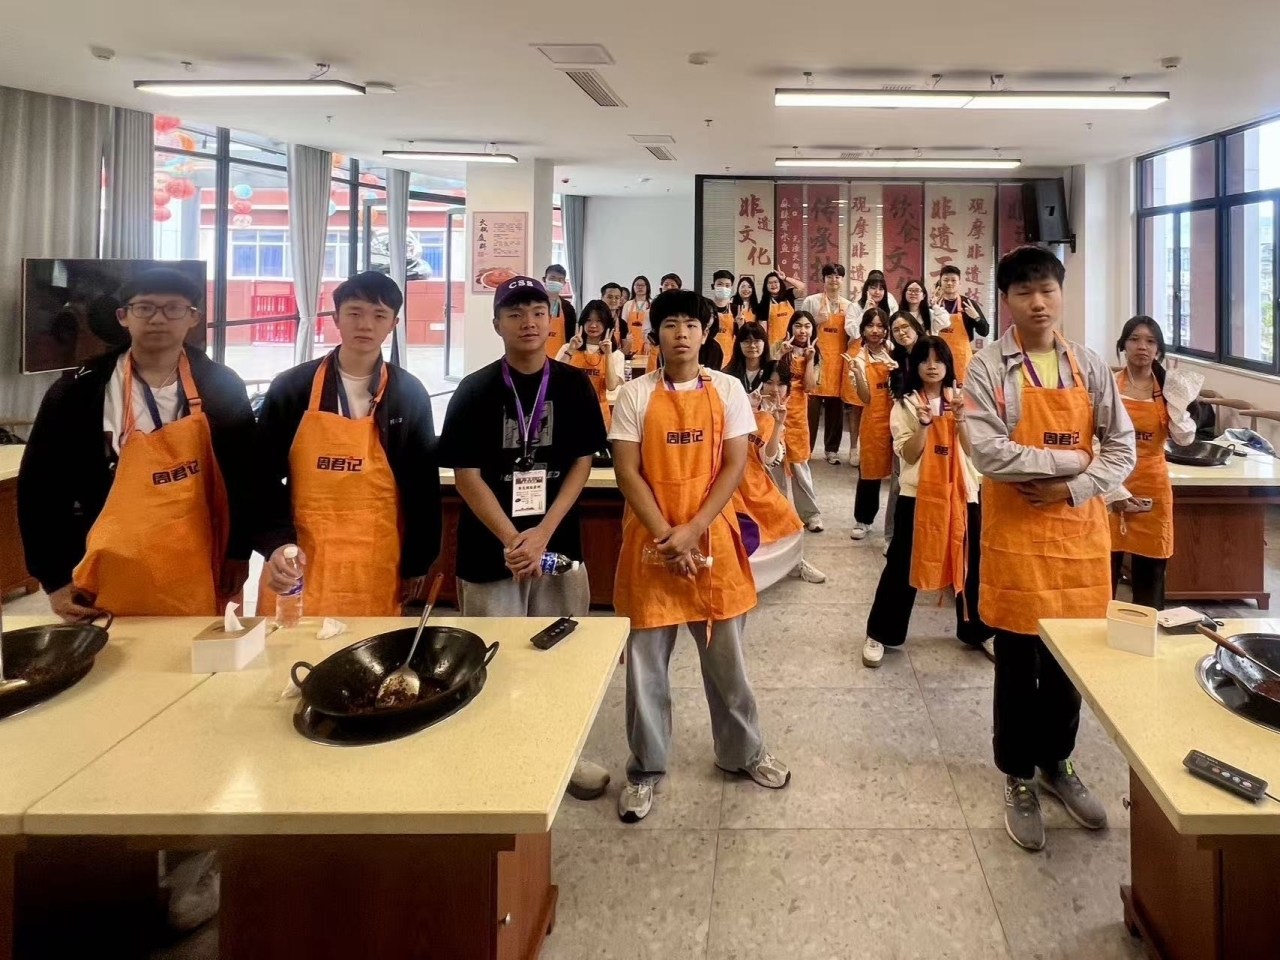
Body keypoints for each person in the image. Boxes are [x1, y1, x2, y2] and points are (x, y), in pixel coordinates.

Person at [964, 245, 1136, 852]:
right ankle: (1017, 774)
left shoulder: (1088, 366)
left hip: (1078, 538)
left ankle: (1057, 763)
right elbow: (988, 451)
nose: (1038, 303)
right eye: (1025, 292)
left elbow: (1123, 448)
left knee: (1069, 665)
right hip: (1015, 539)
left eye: (1048, 290)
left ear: (1061, 294)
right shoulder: (987, 368)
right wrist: (1073, 459)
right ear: (1006, 301)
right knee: (1017, 664)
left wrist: (1072, 486)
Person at [609, 289, 791, 823]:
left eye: (691, 324)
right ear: (656, 334)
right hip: (652, 544)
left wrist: (692, 530)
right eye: (671, 324)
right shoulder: (635, 394)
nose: (682, 334)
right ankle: (645, 768)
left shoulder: (727, 388)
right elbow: (627, 471)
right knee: (645, 668)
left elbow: (734, 465)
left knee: (727, 662)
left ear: (706, 332)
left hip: (712, 540)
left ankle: (743, 752)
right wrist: (667, 535)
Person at [439, 275, 612, 801]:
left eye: (538, 311)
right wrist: (516, 539)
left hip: (557, 544)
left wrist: (543, 534)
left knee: (561, 652)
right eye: (515, 314)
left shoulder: (573, 384)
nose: (528, 322)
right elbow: (465, 474)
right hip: (490, 548)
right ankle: (496, 758)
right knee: (492, 655)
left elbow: (582, 460)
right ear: (497, 324)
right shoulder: (474, 390)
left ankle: (564, 753)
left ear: (552, 320)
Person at [19, 267, 255, 620]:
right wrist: (54, 577)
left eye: (173, 308)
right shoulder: (79, 391)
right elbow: (41, 488)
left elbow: (246, 475)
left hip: (203, 555)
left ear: (193, 318)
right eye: (144, 308)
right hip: (108, 562)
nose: (158, 318)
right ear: (123, 316)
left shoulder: (222, 386)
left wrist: (239, 551)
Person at [256, 271, 441, 617]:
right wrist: (275, 543)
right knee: (292, 638)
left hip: (376, 552)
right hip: (302, 551)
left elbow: (422, 486)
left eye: (379, 315)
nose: (365, 325)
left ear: (394, 324)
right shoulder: (293, 388)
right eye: (354, 312)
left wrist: (418, 561)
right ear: (336, 317)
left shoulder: (408, 393)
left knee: (370, 641)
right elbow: (261, 476)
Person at [862, 336, 994, 667]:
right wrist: (923, 424)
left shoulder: (964, 400)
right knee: (901, 563)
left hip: (962, 493)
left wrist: (961, 419)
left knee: (971, 561)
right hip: (917, 494)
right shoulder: (905, 404)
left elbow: (974, 452)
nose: (932, 366)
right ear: (915, 366)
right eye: (924, 360)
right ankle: (881, 633)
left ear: (949, 364)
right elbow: (907, 454)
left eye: (938, 359)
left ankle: (978, 630)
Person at [1109, 316, 1197, 610]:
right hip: (1111, 482)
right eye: (1134, 339)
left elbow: (1184, 439)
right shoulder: (1110, 386)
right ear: (1123, 345)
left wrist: (1179, 407)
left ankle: (1149, 627)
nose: (1142, 347)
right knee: (1103, 566)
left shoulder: (1167, 391)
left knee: (1151, 568)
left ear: (1158, 350)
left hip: (1152, 485)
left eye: (1150, 341)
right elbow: (1095, 439)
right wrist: (1114, 490)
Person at [732, 360, 827, 585]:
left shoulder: (779, 416)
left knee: (787, 519)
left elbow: (769, 457)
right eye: (769, 382)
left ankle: (794, 563)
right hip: (731, 479)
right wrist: (747, 406)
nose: (774, 389)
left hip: (757, 480)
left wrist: (776, 425)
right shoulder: (743, 403)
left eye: (781, 384)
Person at [879, 311, 927, 550]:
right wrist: (897, 373)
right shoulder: (895, 359)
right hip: (906, 424)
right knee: (900, 483)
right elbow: (897, 394)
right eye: (896, 330)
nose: (901, 333)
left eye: (905, 327)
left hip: (934, 421)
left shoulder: (930, 351)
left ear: (916, 327)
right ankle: (892, 537)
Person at [773, 311, 824, 531]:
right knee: (775, 464)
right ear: (790, 327)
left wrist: (810, 359)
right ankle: (778, 514)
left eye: (807, 326)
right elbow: (768, 378)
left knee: (800, 465)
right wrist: (780, 355)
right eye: (798, 326)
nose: (802, 331)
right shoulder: (778, 346)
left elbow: (810, 387)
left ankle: (811, 515)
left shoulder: (816, 353)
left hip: (798, 416)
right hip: (774, 412)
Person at [799, 263, 855, 462]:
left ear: (842, 280)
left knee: (835, 411)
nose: (834, 280)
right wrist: (815, 321)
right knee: (810, 410)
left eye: (838, 276)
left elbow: (853, 335)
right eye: (830, 276)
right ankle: (805, 449)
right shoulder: (811, 301)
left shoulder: (849, 306)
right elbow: (799, 328)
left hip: (838, 363)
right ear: (823, 279)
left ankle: (832, 450)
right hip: (815, 360)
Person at [848, 309, 895, 541]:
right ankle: (863, 519)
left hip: (900, 418)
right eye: (870, 326)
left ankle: (896, 528)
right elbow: (865, 398)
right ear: (863, 329)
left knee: (902, 477)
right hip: (874, 421)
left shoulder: (895, 351)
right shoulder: (858, 358)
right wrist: (858, 374)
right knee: (869, 472)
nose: (875, 331)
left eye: (880, 326)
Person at [555, 299, 625, 428]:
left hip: (600, 415)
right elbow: (555, 379)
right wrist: (570, 350)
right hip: (569, 412)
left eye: (599, 321)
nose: (593, 325)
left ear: (607, 325)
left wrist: (608, 354)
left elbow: (611, 386)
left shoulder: (616, 355)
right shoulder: (567, 348)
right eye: (588, 320)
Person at [934, 264, 990, 382]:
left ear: (959, 283)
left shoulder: (968, 304)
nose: (949, 283)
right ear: (940, 282)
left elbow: (985, 332)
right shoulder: (935, 304)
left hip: (962, 359)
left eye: (953, 280)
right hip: (938, 357)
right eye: (946, 280)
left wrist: (976, 318)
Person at [755, 270, 806, 344]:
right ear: (766, 286)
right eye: (770, 283)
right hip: (774, 344)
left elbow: (802, 287)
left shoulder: (789, 295)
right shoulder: (763, 304)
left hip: (792, 341)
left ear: (780, 283)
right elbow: (763, 330)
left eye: (775, 282)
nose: (773, 285)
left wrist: (785, 278)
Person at [723, 321, 771, 394]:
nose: (752, 345)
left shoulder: (771, 372)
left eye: (757, 341)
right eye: (747, 341)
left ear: (765, 343)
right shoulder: (727, 374)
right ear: (739, 344)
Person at [542, 264, 578, 359]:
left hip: (560, 358)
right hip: (535, 358)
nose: (556, 282)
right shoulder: (534, 304)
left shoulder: (568, 308)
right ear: (544, 279)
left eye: (560, 279)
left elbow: (571, 336)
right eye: (552, 278)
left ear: (564, 283)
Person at [708, 270, 738, 364]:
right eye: (720, 284)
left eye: (727, 285)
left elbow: (740, 335)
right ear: (713, 286)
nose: (723, 288)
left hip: (729, 357)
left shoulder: (736, 309)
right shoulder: (706, 307)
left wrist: (740, 324)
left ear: (731, 288)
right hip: (709, 355)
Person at [622, 276, 653, 356]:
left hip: (646, 342)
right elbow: (623, 323)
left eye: (643, 285)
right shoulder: (628, 304)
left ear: (647, 287)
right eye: (637, 285)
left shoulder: (652, 304)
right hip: (630, 341)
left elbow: (654, 326)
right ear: (633, 287)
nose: (640, 287)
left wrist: (648, 342)